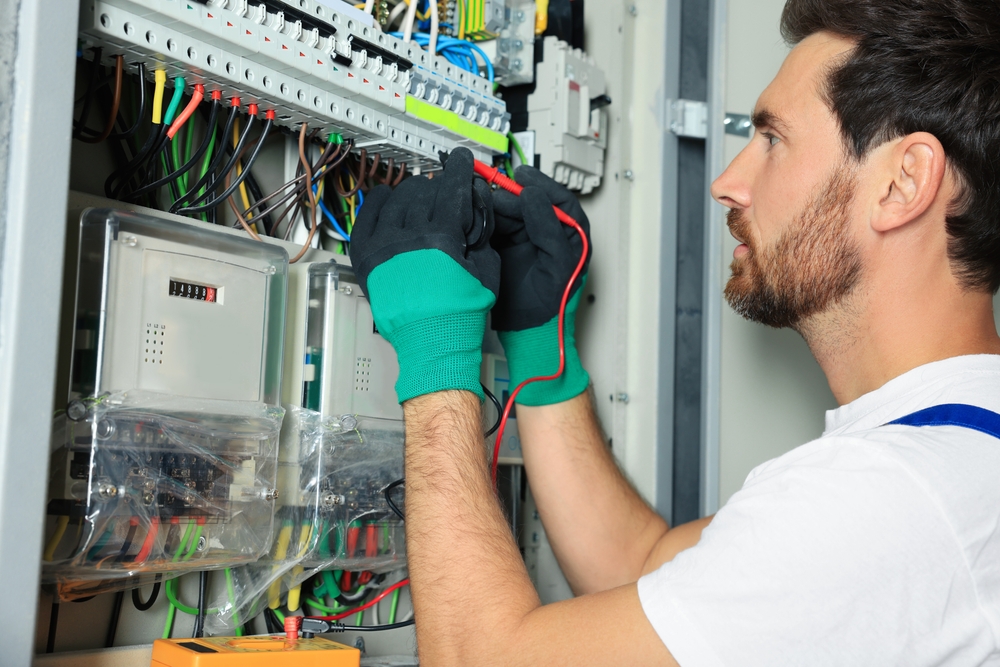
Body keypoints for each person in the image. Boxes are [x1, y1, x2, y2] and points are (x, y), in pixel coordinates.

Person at [349, 0, 1000, 663]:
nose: (727, 183)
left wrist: (435, 348)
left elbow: (478, 657)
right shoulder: (959, 456)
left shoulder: (889, 501)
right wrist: (544, 354)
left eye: (772, 139)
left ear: (903, 182)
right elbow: (647, 570)